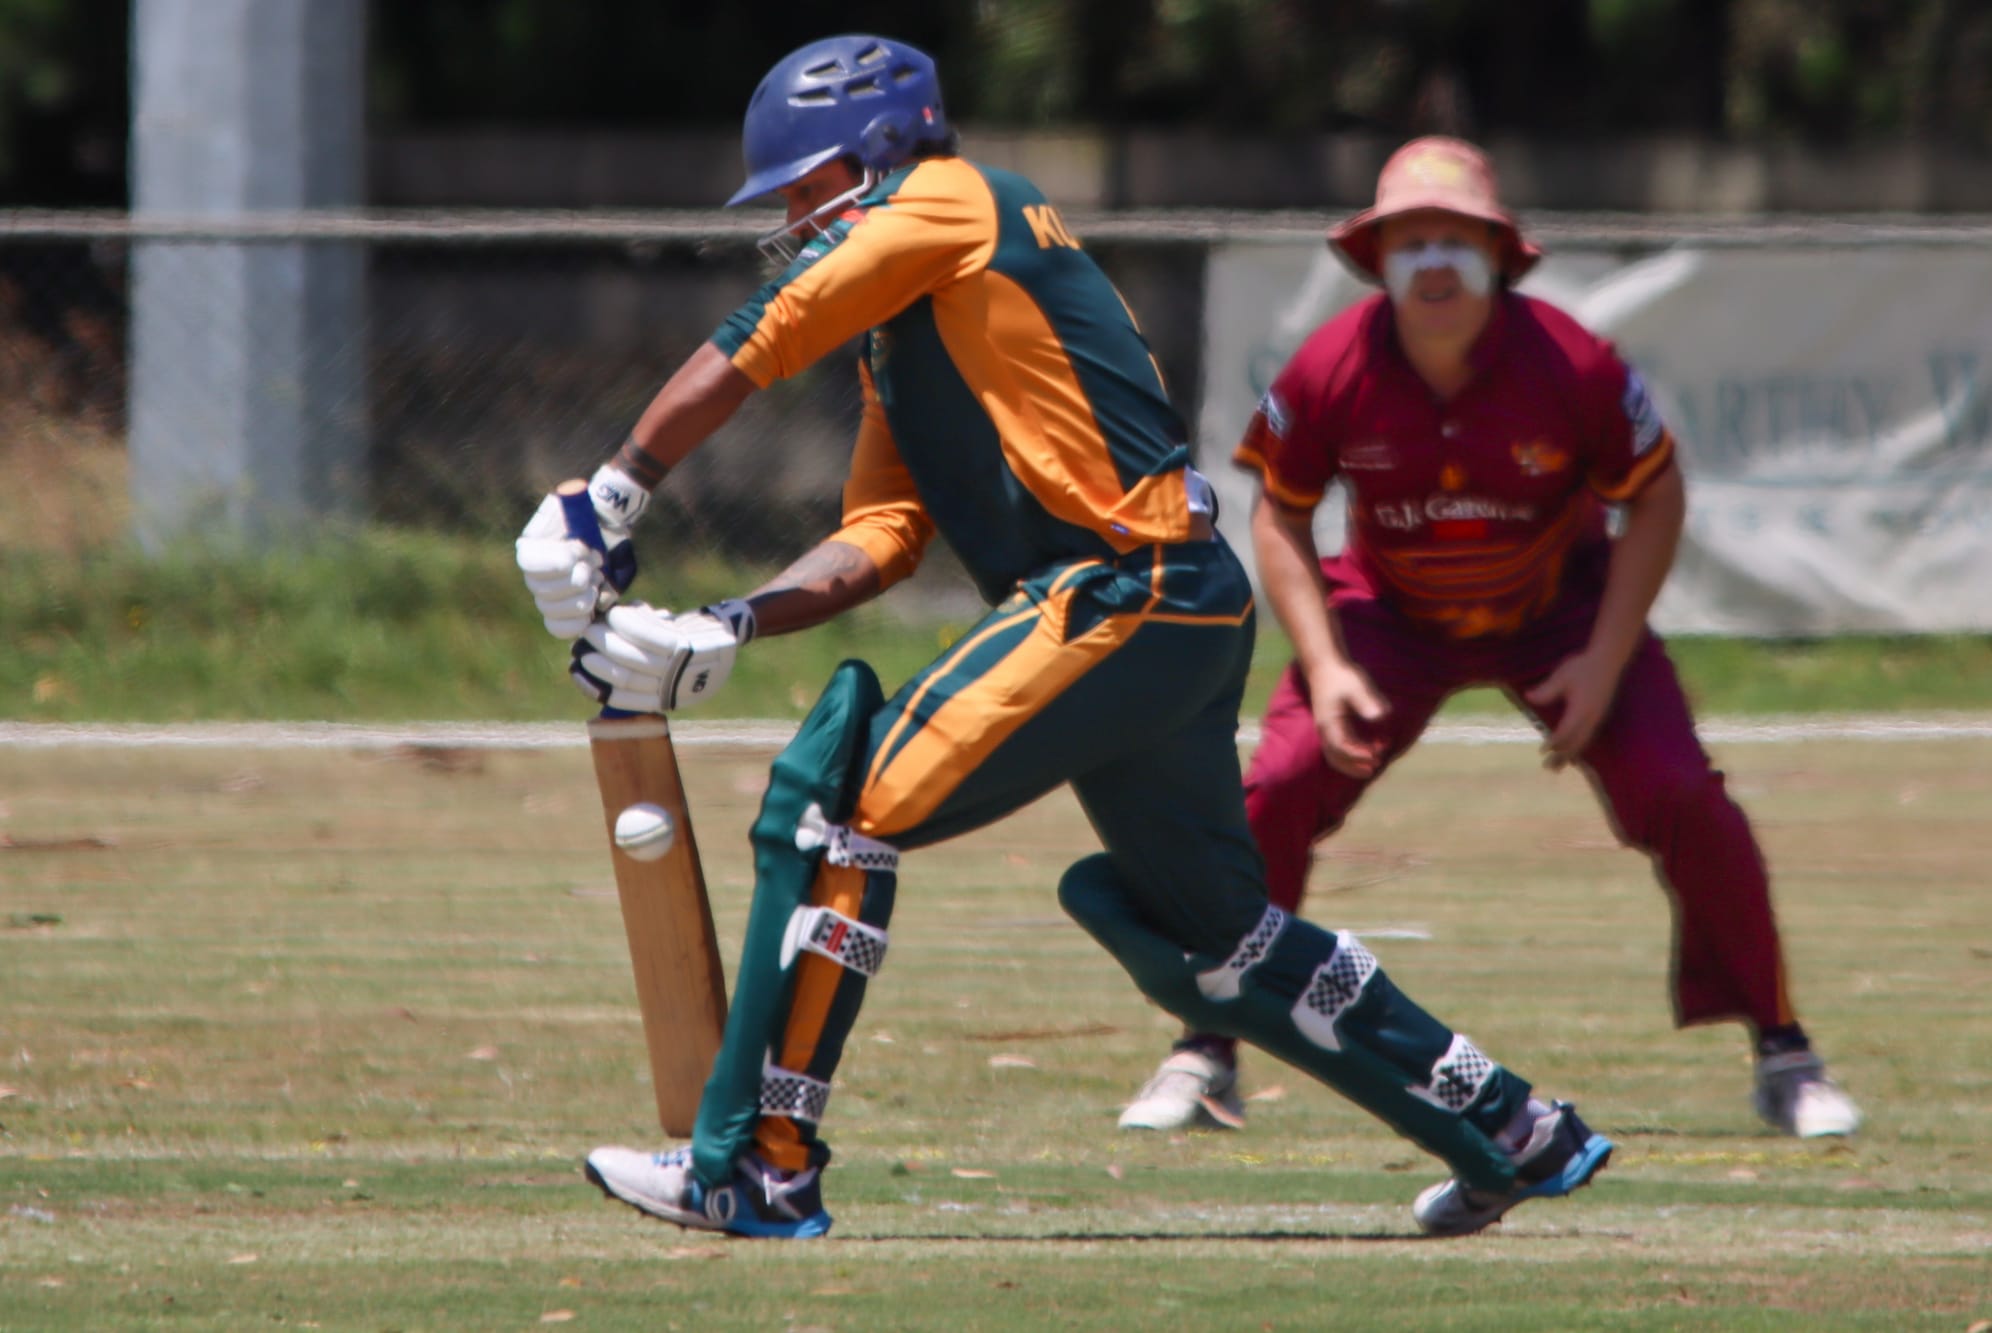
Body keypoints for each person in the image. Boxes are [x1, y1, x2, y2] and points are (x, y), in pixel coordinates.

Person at [515, 37, 1612, 1241]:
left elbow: (769, 333)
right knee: (1215, 944)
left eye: (805, 182)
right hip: (1171, 601)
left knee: (837, 810)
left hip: (1119, 587)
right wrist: (725, 623)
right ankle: (1511, 1128)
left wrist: (610, 492)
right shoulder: (907, 317)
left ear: (879, 155)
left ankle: (758, 1166)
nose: (787, 211)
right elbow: (880, 534)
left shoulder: (954, 200)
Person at [1117, 136, 1861, 1143]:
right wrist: (1327, 663)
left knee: (1680, 790)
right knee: (1277, 783)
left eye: (1455, 239)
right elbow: (1276, 516)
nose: (1431, 260)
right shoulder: (1330, 364)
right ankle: (1203, 1049)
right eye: (1407, 239)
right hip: (1388, 613)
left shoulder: (1573, 361)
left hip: (1559, 605)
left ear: (1502, 255)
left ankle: (1784, 1054)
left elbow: (1655, 499)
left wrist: (1602, 661)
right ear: (1374, 260)